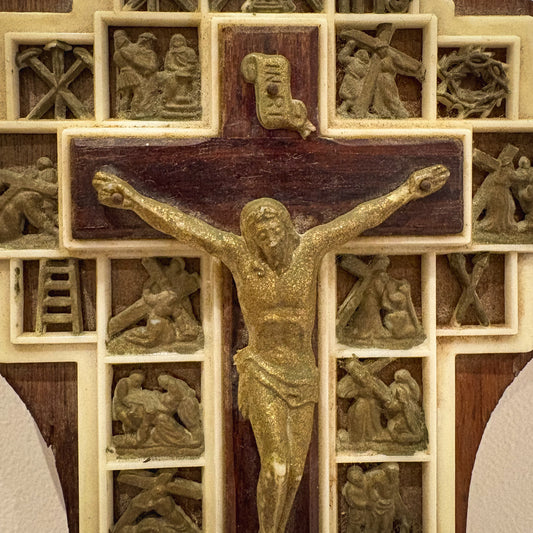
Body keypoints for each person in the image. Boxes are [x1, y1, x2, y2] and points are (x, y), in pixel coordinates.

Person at [93, 162, 449, 533]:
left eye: (273, 222)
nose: (267, 231)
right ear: (250, 235)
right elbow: (186, 226)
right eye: (258, 227)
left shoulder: (310, 249)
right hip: (262, 369)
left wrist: (408, 190)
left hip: (303, 374)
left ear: (286, 225)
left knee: (293, 473)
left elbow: (359, 219)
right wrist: (133, 200)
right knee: (276, 467)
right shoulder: (240, 256)